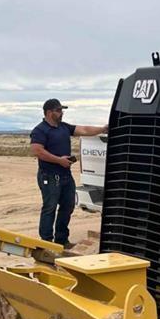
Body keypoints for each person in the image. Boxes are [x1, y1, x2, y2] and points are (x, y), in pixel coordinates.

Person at [30, 98, 106, 247]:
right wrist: (59, 160)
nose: (61, 113)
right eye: (58, 110)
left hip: (65, 175)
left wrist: (102, 129)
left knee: (68, 206)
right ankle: (46, 243)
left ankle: (61, 240)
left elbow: (84, 130)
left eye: (62, 110)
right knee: (49, 208)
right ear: (49, 112)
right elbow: (37, 151)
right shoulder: (40, 130)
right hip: (49, 176)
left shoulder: (64, 127)